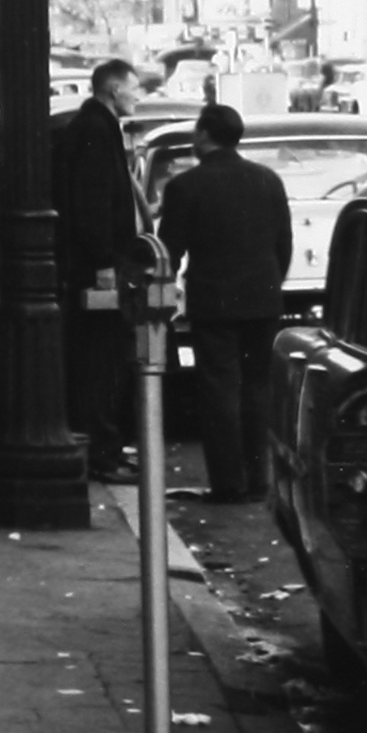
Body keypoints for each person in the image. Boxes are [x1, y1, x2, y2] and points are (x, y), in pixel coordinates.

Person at [155, 103, 295, 503]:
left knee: (219, 389)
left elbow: (169, 251)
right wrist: (269, 282)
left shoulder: (185, 186)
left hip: (213, 300)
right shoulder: (268, 180)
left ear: (202, 135)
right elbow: (283, 244)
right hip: (262, 299)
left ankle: (228, 482)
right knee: (257, 388)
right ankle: (258, 479)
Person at [51, 55, 145, 481]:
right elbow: (93, 204)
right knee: (102, 361)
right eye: (134, 87)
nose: (138, 95)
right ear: (113, 89)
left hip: (98, 263)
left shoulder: (98, 127)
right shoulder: (94, 130)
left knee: (103, 360)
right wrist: (105, 263)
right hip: (99, 267)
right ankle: (102, 450)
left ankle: (105, 445)